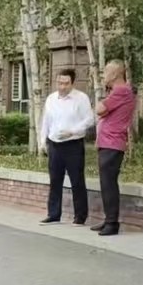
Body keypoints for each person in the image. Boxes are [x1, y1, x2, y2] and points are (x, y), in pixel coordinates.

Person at [38, 68, 94, 225]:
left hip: (73, 144)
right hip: (54, 144)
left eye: (66, 83)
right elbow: (46, 121)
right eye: (59, 83)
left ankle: (80, 216)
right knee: (55, 180)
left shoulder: (81, 98)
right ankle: (53, 214)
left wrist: (73, 131)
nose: (62, 87)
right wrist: (42, 141)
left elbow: (90, 119)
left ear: (72, 83)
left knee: (77, 180)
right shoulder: (51, 99)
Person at [92, 60, 137, 236]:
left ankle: (112, 223)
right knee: (106, 183)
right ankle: (108, 219)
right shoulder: (119, 92)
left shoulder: (121, 91)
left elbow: (100, 109)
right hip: (108, 142)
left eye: (106, 72)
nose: (103, 75)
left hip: (112, 143)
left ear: (115, 74)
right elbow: (104, 111)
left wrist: (102, 104)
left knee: (109, 183)